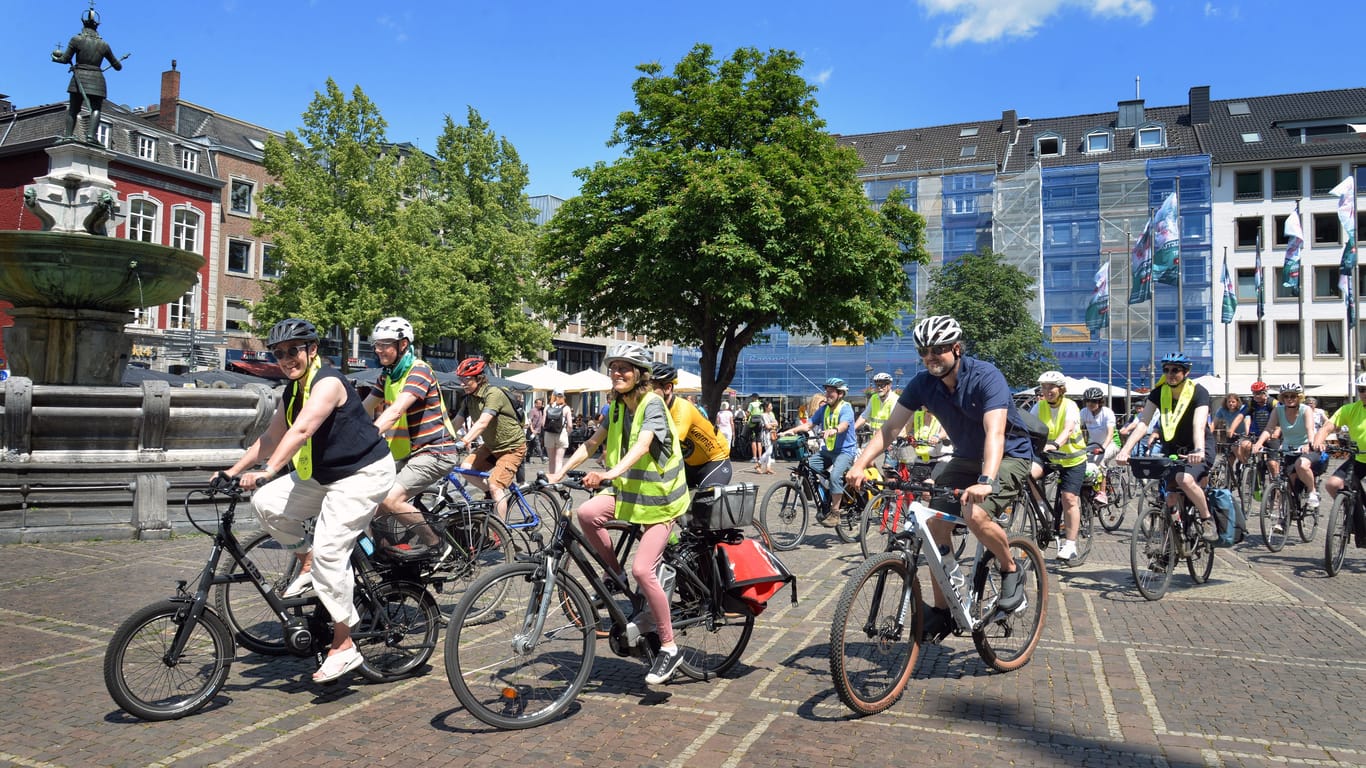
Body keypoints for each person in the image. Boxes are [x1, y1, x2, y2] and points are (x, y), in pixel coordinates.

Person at [218, 318, 394, 683]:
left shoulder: (327, 382)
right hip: (324, 475)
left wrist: (270, 470)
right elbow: (270, 437)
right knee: (266, 504)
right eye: (278, 353)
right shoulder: (292, 391)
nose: (285, 359)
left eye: (292, 351)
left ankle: (344, 646)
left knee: (332, 550)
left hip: (363, 475)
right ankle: (307, 559)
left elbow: (303, 430)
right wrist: (231, 472)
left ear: (312, 349)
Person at [846, 315, 1027, 640]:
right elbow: (890, 429)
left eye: (939, 349)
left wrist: (986, 479)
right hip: (965, 457)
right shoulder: (922, 384)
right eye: (924, 351)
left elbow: (995, 432)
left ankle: (1011, 568)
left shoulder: (986, 376)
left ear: (956, 349)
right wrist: (860, 464)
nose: (931, 357)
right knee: (931, 525)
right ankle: (945, 611)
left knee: (974, 513)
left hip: (1008, 456)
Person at [547, 342, 691, 685]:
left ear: (640, 373)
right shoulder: (614, 406)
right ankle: (616, 576)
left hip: (661, 501)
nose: (617, 373)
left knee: (644, 569)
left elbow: (643, 445)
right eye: (613, 368)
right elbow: (592, 443)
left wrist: (610, 474)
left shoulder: (652, 403)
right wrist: (558, 472)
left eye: (625, 367)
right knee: (587, 514)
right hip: (630, 495)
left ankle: (669, 648)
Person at [360, 316, 459, 555]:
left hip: (436, 451)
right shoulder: (387, 375)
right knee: (369, 508)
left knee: (390, 499)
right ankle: (390, 562)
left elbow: (395, 411)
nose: (378, 349)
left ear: (403, 344)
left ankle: (438, 547)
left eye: (385, 344)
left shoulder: (419, 370)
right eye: (377, 344)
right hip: (408, 454)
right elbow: (362, 409)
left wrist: (366, 436)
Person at [1116, 352, 1219, 543]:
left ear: (1186, 372)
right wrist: (1126, 449)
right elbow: (1143, 423)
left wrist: (1198, 450)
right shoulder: (1158, 392)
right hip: (1172, 449)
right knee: (1169, 497)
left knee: (1185, 479)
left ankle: (1206, 519)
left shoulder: (1198, 392)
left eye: (1176, 370)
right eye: (1166, 370)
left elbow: (1199, 424)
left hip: (1198, 447)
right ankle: (1173, 541)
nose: (1170, 374)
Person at [453, 357, 527, 521]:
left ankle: (501, 531)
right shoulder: (468, 399)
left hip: (512, 447)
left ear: (478, 378)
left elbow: (483, 422)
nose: (462, 383)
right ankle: (490, 495)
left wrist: (464, 441)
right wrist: (438, 438)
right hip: (492, 447)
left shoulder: (493, 393)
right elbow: (456, 422)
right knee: (466, 467)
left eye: (466, 379)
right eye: (460, 379)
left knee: (495, 486)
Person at [779, 378, 860, 527]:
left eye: (831, 391)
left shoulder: (846, 407)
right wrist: (789, 431)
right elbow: (809, 425)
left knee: (835, 476)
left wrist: (833, 430)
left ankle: (835, 513)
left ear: (840, 394)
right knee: (807, 466)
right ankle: (826, 498)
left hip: (845, 451)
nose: (827, 394)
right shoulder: (824, 409)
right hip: (827, 451)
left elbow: (844, 424)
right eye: (827, 391)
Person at [1031, 371, 1088, 562]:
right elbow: (1027, 426)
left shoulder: (1070, 406)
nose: (1047, 391)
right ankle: (1041, 505)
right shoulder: (1038, 407)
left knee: (1069, 498)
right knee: (1028, 473)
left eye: (1051, 387)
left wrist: (1055, 444)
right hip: (1049, 457)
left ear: (1061, 389)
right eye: (1044, 387)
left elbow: (1068, 428)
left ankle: (1070, 544)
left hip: (1072, 459)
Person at [650, 362, 733, 489]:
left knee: (705, 502)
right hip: (689, 464)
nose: (645, 395)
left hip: (714, 461)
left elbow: (669, 446)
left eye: (651, 389)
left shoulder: (682, 409)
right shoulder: (656, 410)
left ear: (667, 388)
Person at [1250, 382, 1323, 522]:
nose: (1290, 399)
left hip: (1306, 447)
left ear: (1299, 397)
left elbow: (1309, 428)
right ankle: (1283, 519)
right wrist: (1258, 443)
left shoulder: (1305, 409)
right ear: (1282, 398)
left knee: (1301, 465)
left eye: (1293, 396)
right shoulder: (1278, 410)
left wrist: (1309, 443)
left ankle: (1312, 491)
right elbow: (1269, 428)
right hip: (1288, 449)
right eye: (1286, 396)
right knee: (1286, 485)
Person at [52, 10, 122, 143]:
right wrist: (117, 62)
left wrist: (55, 57)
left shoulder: (76, 39)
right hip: (97, 79)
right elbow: (118, 66)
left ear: (84, 25)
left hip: (80, 77)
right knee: (96, 109)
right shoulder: (104, 45)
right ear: (97, 26)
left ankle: (68, 135)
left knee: (73, 108)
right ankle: (91, 136)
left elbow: (65, 59)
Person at [1311, 373, 1366, 510]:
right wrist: (1318, 443)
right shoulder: (1350, 409)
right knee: (1333, 484)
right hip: (1358, 458)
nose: (1364, 393)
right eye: (1361, 390)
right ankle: (1353, 518)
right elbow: (1327, 428)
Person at [1080, 387, 1118, 503]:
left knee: (1101, 462)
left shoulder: (1107, 412)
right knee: (1081, 463)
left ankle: (1102, 493)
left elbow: (1110, 433)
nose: (1090, 404)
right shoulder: (1084, 412)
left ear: (1100, 402)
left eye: (1094, 401)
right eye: (1088, 401)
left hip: (1111, 443)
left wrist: (1103, 448)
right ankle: (1089, 488)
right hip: (1094, 443)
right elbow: (1076, 430)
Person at [1232, 381, 1277, 465]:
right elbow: (1240, 416)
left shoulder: (1273, 403)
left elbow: (1282, 417)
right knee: (1243, 446)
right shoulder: (1251, 403)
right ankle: (1247, 467)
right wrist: (1231, 429)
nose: (1256, 396)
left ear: (1265, 393)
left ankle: (1274, 477)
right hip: (1255, 435)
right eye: (1254, 393)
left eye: (1258, 393)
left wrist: (1277, 431)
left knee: (1273, 464)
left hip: (1271, 436)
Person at [543, 389, 573, 476]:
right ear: (563, 397)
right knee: (559, 460)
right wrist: (567, 432)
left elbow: (543, 423)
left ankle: (551, 479)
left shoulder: (547, 407)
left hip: (549, 434)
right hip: (561, 433)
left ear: (552, 396)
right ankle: (556, 480)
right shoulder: (566, 408)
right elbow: (570, 425)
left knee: (551, 460)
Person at [759, 401, 780, 474]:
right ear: (766, 407)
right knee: (769, 451)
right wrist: (771, 424)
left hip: (771, 433)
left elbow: (776, 423)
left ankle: (768, 468)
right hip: (766, 434)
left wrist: (770, 424)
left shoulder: (771, 414)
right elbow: (767, 426)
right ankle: (758, 464)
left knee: (769, 451)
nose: (771, 408)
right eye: (770, 406)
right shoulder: (763, 415)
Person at [747, 393, 765, 472]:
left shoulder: (751, 404)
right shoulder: (761, 404)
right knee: (759, 440)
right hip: (760, 423)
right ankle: (760, 457)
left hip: (752, 423)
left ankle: (754, 457)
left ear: (753, 397)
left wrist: (746, 416)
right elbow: (762, 413)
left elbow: (748, 413)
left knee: (753, 440)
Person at [527, 397, 548, 461]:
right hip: (533, 431)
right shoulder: (532, 410)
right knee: (537, 444)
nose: (540, 405)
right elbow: (530, 420)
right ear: (535, 404)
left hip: (539, 431)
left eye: (541, 404)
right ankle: (542, 458)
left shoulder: (541, 411)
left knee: (531, 445)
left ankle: (527, 458)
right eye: (539, 403)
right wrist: (532, 429)